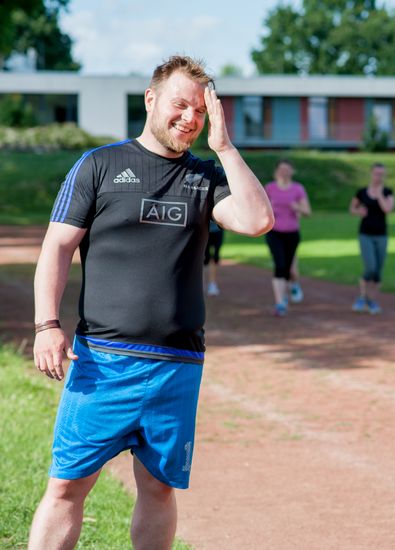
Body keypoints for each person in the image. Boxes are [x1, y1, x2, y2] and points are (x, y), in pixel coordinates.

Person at [29, 55, 273, 549]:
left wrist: (223, 147)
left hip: (176, 364)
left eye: (200, 111)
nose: (189, 117)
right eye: (180, 104)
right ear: (150, 99)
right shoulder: (99, 165)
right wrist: (46, 325)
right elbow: (57, 246)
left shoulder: (205, 178)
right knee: (67, 486)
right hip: (103, 363)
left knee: (158, 488)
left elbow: (256, 221)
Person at [264, 159, 311, 316]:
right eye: (282, 169)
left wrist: (297, 207)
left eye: (287, 169)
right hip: (274, 232)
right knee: (280, 264)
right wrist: (268, 208)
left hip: (292, 233)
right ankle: (280, 303)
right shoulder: (270, 188)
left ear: (292, 172)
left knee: (290, 268)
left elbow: (307, 212)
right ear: (276, 171)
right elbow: (260, 209)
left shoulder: (297, 189)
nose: (284, 172)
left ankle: (293, 284)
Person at [349, 162, 395, 314]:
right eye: (376, 174)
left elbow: (387, 209)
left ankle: (372, 300)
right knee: (370, 267)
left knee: (378, 271)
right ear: (371, 174)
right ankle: (362, 296)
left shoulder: (387, 192)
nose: (378, 177)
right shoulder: (362, 192)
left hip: (381, 235)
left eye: (381, 174)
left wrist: (380, 194)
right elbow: (352, 208)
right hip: (365, 234)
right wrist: (358, 211)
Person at [204, 219, 224, 296]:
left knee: (215, 258)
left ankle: (212, 283)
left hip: (218, 230)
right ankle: (203, 282)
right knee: (205, 258)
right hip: (206, 230)